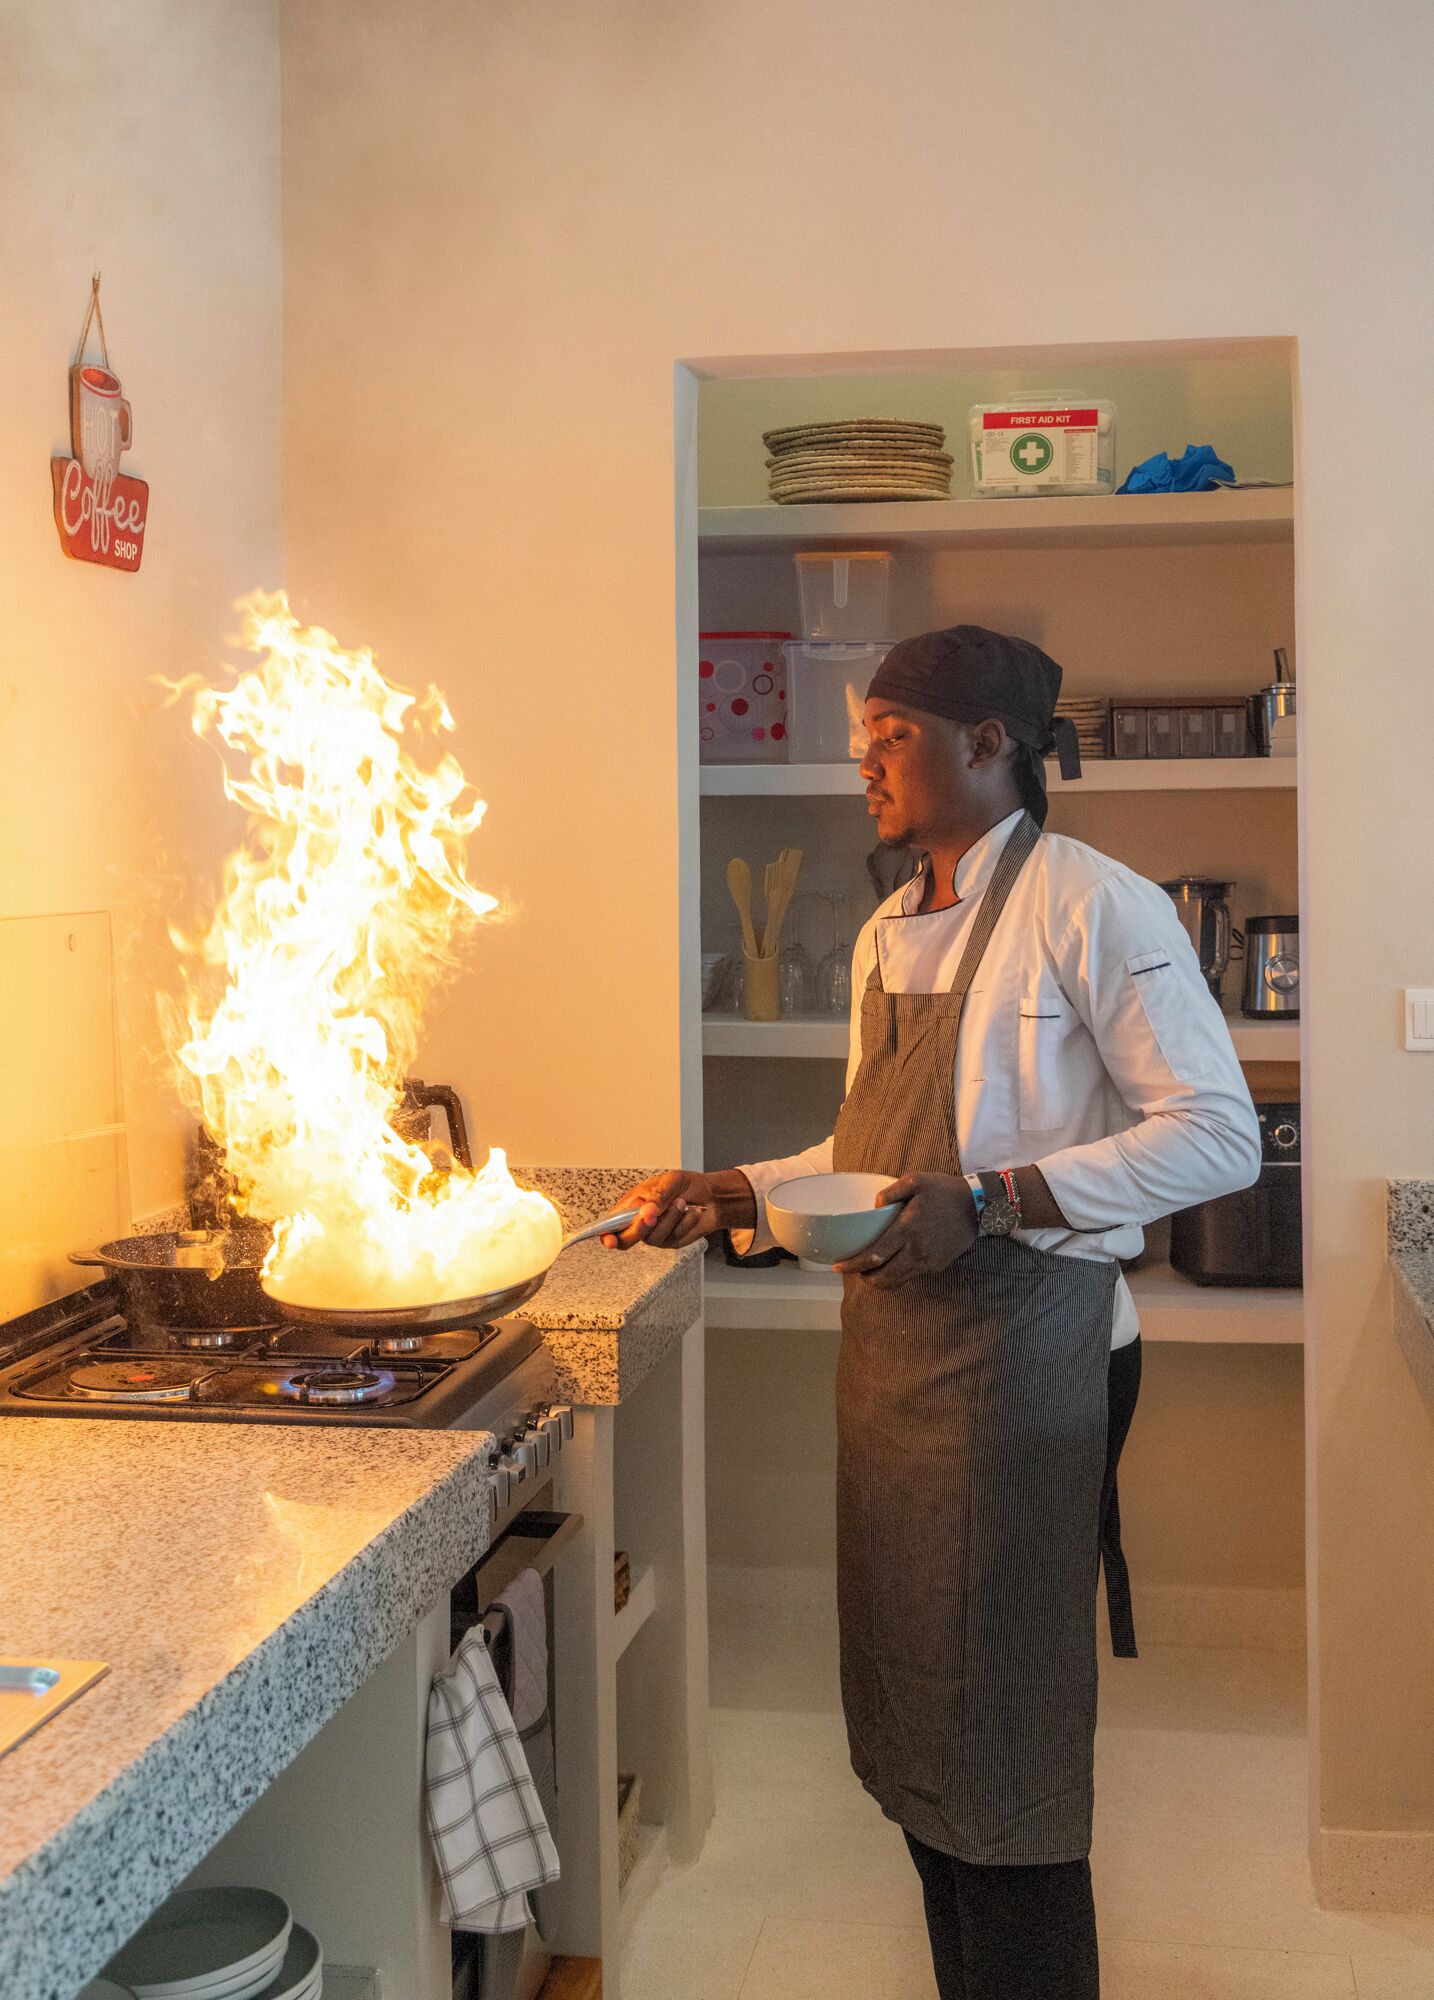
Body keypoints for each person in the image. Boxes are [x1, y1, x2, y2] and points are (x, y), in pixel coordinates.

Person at [603, 626, 1261, 2000]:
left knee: (1000, 1741)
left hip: (1031, 1355)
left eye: (890, 733)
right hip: (899, 1361)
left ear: (988, 744)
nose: (861, 759)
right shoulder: (888, 926)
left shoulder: (1095, 905)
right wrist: (737, 1187)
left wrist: (1003, 1196)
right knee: (920, 1719)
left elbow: (1215, 1139)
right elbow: (867, 1153)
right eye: (863, 733)